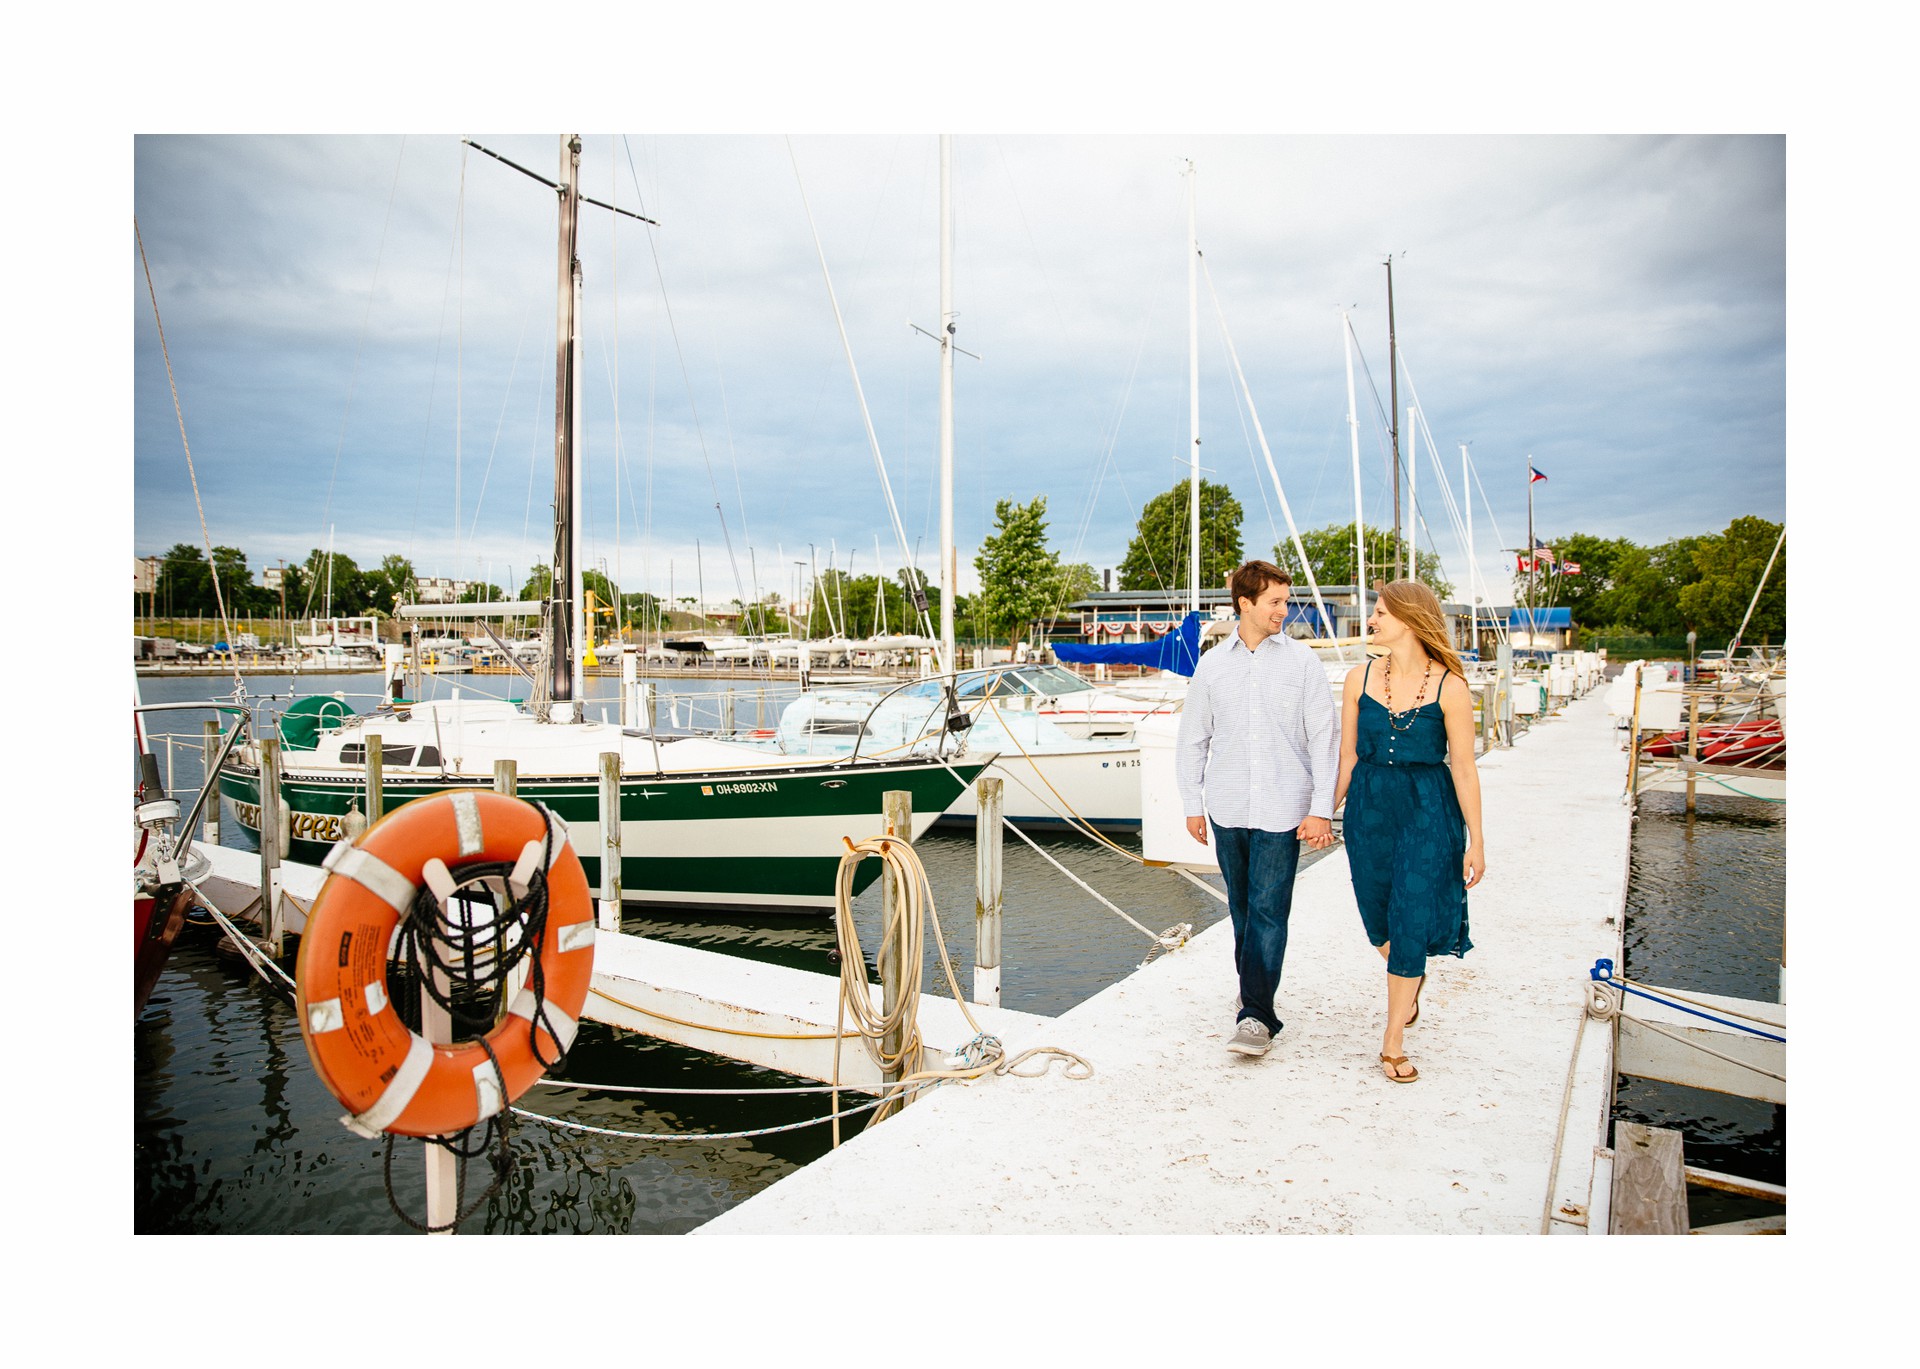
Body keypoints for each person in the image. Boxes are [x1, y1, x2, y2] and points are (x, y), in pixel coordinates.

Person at [1176, 560, 1340, 1058]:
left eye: (1285, 602)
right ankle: (1255, 988)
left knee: (1269, 911)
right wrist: (1191, 803)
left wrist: (1320, 809)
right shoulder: (1212, 664)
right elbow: (1193, 737)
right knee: (1242, 911)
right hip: (1226, 807)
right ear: (1245, 603)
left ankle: (1256, 1016)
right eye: (1275, 602)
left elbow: (1324, 739)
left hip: (1283, 808)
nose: (1283, 611)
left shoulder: (1303, 663)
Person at [1333, 580, 1486, 1083]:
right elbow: (1348, 759)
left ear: (1410, 618)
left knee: (1411, 920)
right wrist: (1320, 811)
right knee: (1378, 919)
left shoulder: (1451, 686)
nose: (1371, 621)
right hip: (1370, 811)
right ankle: (1409, 978)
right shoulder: (1358, 679)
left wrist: (1477, 840)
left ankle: (1392, 1041)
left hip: (1429, 811)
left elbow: (1464, 768)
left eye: (1379, 612)